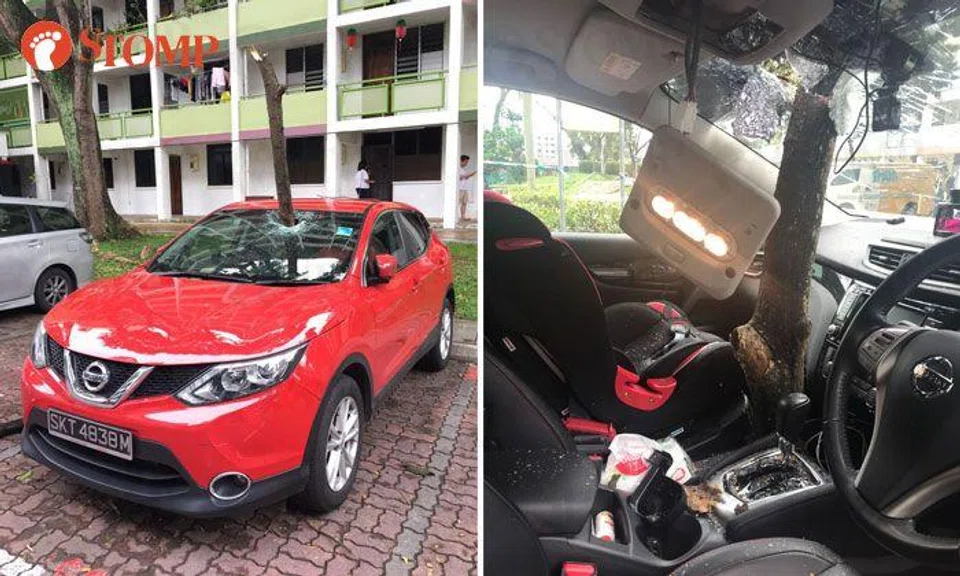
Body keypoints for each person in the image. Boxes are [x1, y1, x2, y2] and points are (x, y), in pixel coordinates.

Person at [458, 155, 477, 221]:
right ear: (462, 161)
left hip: (465, 188)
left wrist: (470, 175)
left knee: (464, 203)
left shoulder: (463, 170)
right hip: (459, 189)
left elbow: (466, 177)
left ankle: (463, 217)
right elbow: (460, 177)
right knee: (457, 202)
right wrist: (471, 174)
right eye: (466, 162)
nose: (466, 163)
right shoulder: (457, 169)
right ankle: (455, 216)